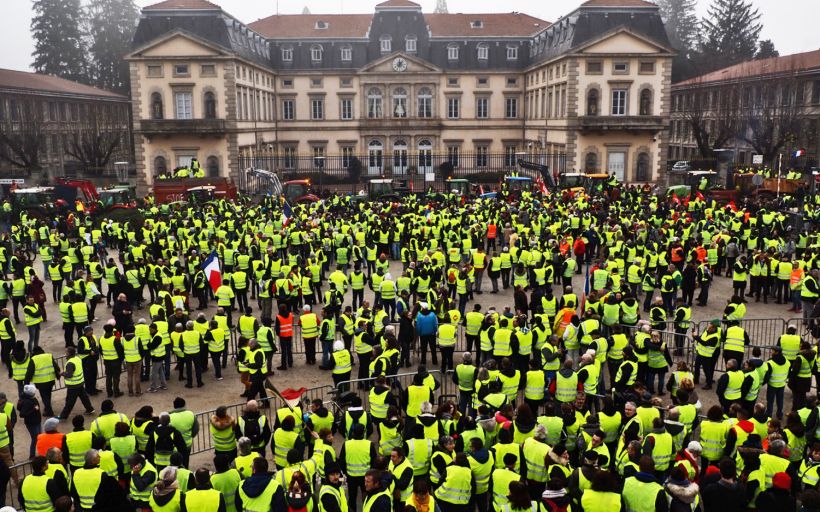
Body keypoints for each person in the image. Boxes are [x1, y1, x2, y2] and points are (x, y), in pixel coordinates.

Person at [57, 347, 95, 421]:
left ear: (69, 353)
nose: (65, 354)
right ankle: (90, 409)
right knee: (84, 397)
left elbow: (69, 375)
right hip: (80, 382)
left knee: (70, 401)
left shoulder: (70, 363)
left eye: (66, 352)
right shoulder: (77, 359)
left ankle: (63, 416)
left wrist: (62, 373)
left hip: (73, 385)